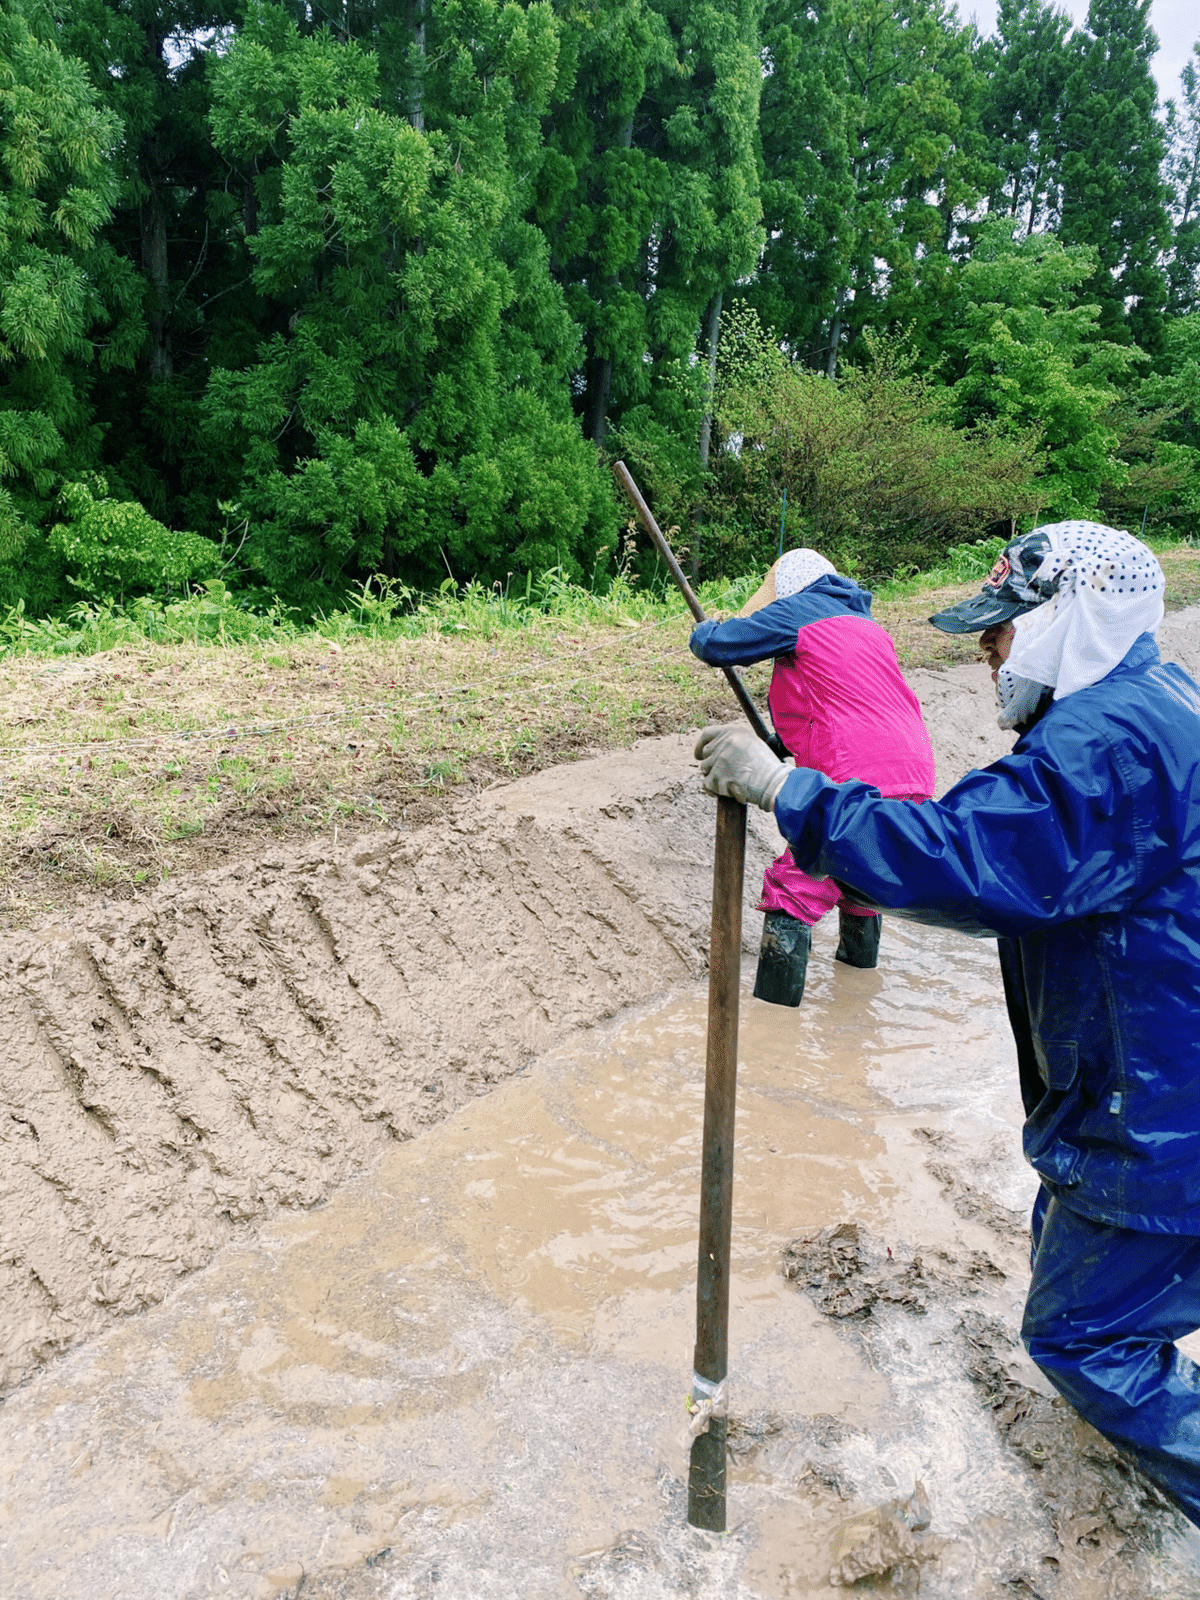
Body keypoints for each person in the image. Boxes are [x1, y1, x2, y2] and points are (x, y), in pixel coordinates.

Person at [693, 520, 1200, 1526]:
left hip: (1155, 1111)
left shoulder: (1101, 745)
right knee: (1082, 1251)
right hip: (1149, 1071)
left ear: (1067, 623)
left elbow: (962, 859)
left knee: (1081, 1338)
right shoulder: (1155, 703)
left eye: (1004, 630)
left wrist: (789, 788)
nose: (987, 651)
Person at [688, 548, 935, 1006]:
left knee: (795, 890)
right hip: (915, 773)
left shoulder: (800, 610)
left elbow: (718, 646)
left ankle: (774, 1026)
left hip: (854, 776)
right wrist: (783, 743)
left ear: (787, 589)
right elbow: (840, 703)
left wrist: (702, 631)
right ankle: (855, 1003)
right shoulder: (866, 625)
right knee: (863, 887)